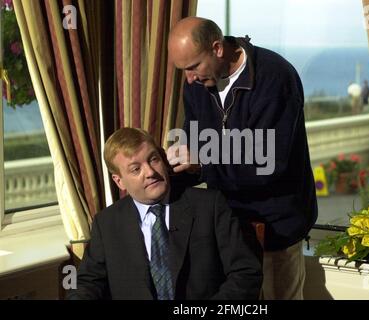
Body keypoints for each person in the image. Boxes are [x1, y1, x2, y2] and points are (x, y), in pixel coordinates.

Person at [167, 17, 318, 300]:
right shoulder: (196, 83)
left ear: (217, 48)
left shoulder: (276, 78)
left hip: (276, 228)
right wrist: (169, 166)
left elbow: (267, 163)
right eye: (183, 70)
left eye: (193, 67)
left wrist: (203, 162)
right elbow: (194, 140)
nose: (189, 79)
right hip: (226, 228)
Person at [66, 127, 262, 300]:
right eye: (136, 169)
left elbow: (245, 273)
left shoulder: (209, 205)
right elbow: (86, 282)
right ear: (120, 181)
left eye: (153, 159)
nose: (150, 172)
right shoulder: (107, 223)